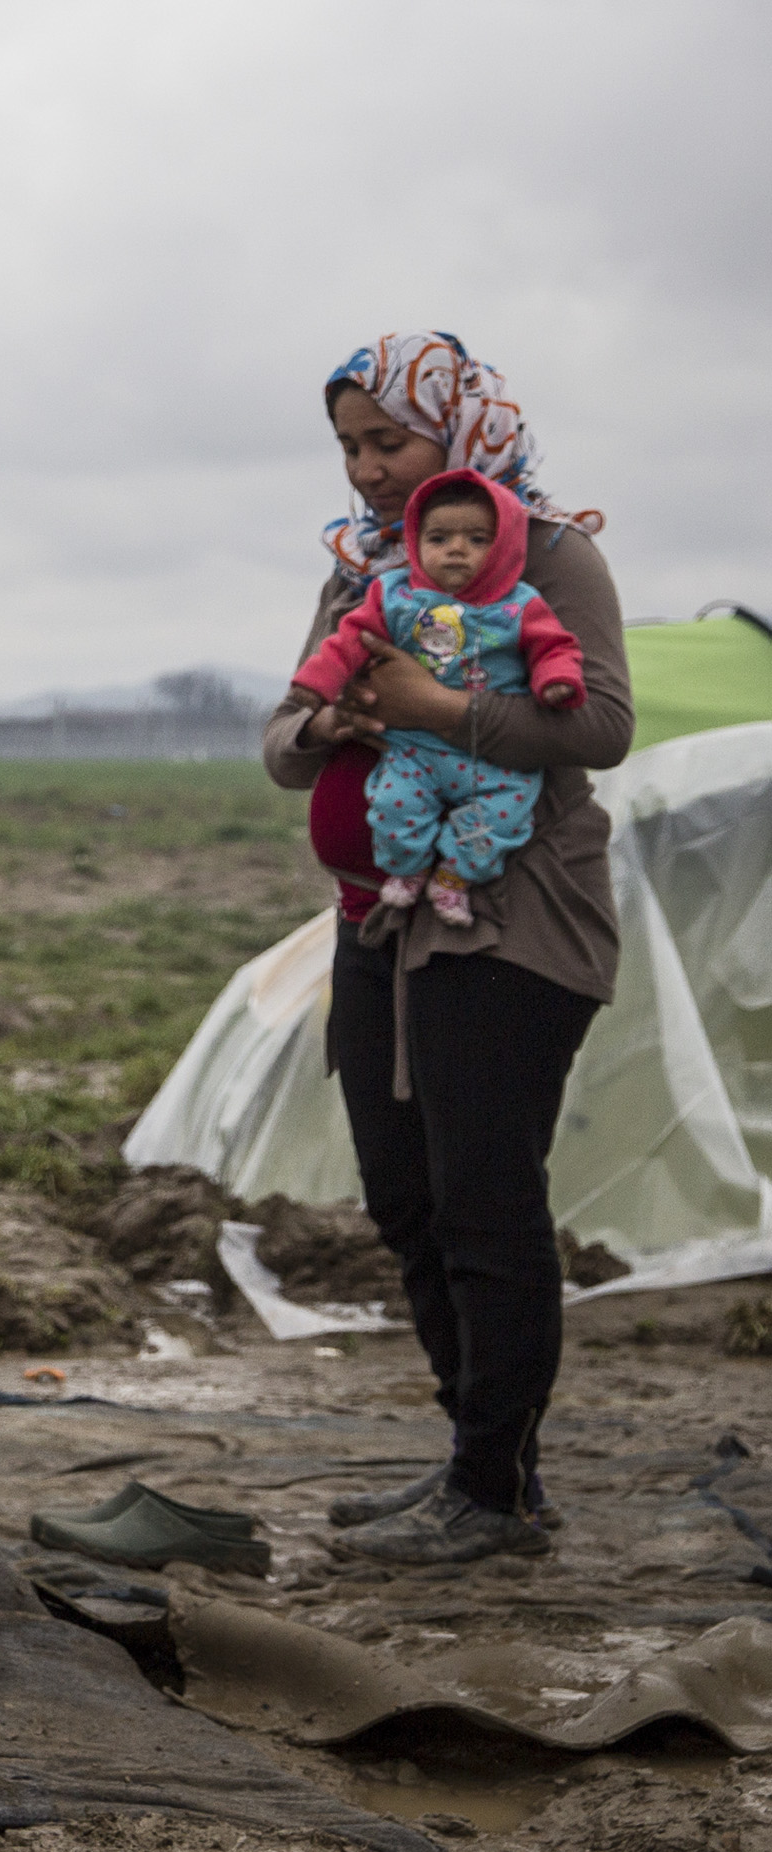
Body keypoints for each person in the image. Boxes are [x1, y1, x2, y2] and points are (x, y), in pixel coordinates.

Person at [268, 331, 630, 1565]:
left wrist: (438, 710)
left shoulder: (551, 553)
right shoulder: (363, 569)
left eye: (390, 442)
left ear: (459, 435)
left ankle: (486, 1492)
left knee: (487, 1204)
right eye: (351, 448)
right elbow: (279, 741)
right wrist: (333, 716)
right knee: (404, 1199)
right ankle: (489, 1473)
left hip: (517, 924)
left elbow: (605, 726)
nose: (369, 471)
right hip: (382, 915)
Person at [286, 468, 589, 924]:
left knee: (502, 818)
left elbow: (554, 646)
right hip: (416, 750)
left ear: (504, 547)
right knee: (393, 803)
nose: (456, 549)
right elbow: (348, 640)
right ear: (415, 542)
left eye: (476, 539)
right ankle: (408, 870)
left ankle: (453, 878)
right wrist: (317, 684)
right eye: (440, 537)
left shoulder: (520, 605)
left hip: (494, 759)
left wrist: (556, 680)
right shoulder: (393, 596)